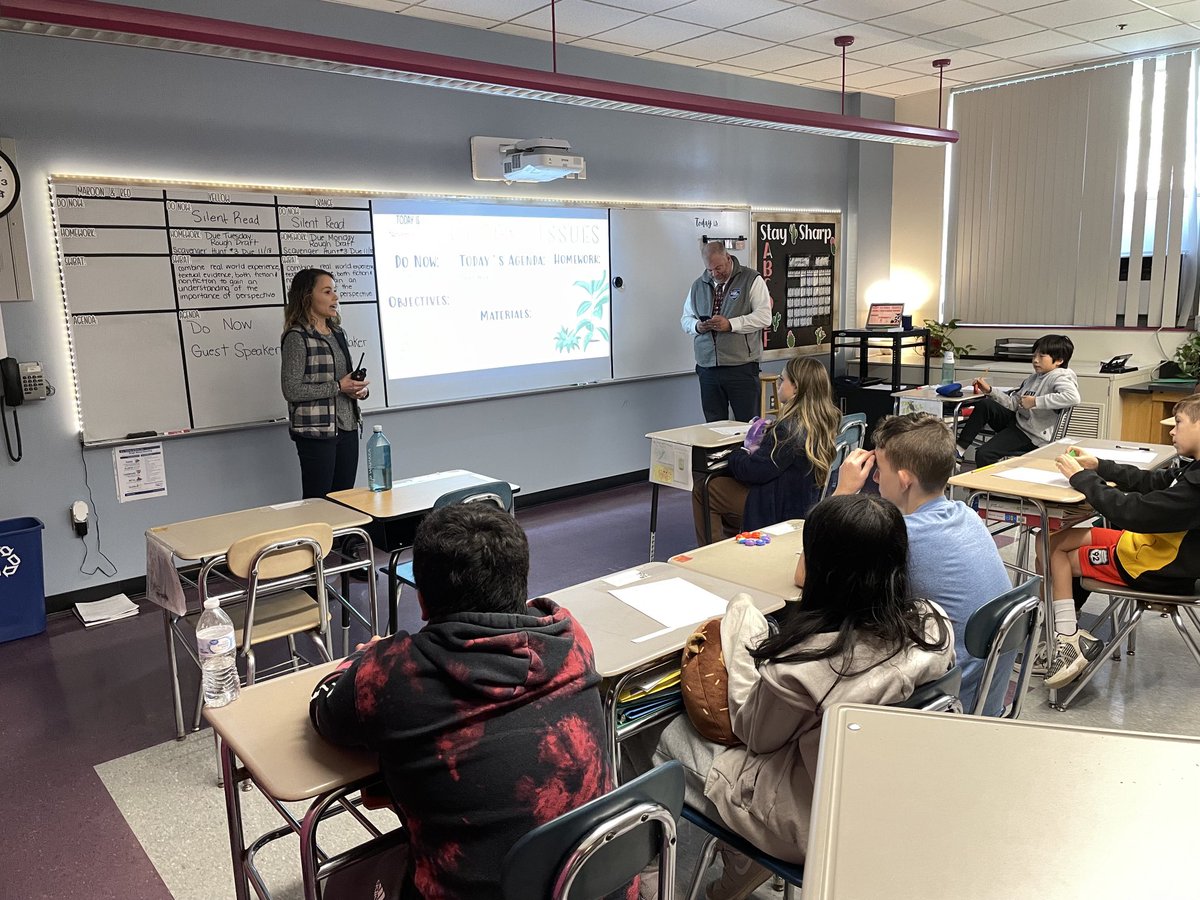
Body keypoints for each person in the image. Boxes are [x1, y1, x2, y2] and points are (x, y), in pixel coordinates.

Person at [628, 495, 953, 900]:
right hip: (886, 804)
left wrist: (741, 627)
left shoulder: (806, 670)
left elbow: (753, 734)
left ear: (820, 569)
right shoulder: (933, 625)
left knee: (644, 733)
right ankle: (740, 867)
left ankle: (653, 875)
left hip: (808, 823)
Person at [309, 504, 620, 900]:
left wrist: (361, 661)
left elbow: (326, 713)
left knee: (341, 884)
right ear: (519, 583)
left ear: (422, 601)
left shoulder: (394, 674)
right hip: (594, 884)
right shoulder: (570, 637)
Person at [832, 413, 1013, 713]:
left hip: (938, 707)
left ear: (904, 481)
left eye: (880, 470)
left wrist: (843, 492)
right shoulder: (967, 515)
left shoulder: (898, 536)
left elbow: (809, 575)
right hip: (983, 703)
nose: (875, 479)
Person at [1039, 394, 1200, 689]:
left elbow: (1134, 513)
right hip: (1150, 548)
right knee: (1049, 540)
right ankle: (1062, 629)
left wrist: (1082, 479)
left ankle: (1066, 640)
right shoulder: (1194, 469)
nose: (1172, 431)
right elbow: (1155, 482)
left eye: (1178, 423)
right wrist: (1099, 466)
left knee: (1055, 557)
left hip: (1154, 567)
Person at [693, 356, 840, 545]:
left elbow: (753, 472)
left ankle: (710, 555)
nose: (779, 383)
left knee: (704, 489)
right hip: (803, 500)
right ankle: (735, 543)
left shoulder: (787, 429)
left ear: (796, 388)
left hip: (776, 507)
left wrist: (738, 453)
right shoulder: (824, 420)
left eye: (783, 379)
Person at [280, 267, 369, 499]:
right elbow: (291, 389)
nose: (335, 297)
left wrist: (357, 391)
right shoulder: (297, 338)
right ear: (308, 297)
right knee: (318, 502)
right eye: (328, 291)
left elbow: (344, 379)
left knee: (345, 500)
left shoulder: (338, 333)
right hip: (316, 432)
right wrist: (338, 387)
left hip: (347, 427)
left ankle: (343, 538)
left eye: (335, 291)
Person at [956, 334, 1080, 468]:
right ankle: (959, 451)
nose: (1035, 360)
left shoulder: (1060, 377)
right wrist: (990, 390)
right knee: (986, 405)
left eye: (1041, 356)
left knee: (984, 454)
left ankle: (985, 488)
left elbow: (1073, 397)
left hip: (1032, 435)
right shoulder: (1034, 377)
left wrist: (1035, 402)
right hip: (1019, 422)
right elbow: (1014, 403)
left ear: (1059, 360)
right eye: (1034, 356)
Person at [681, 242, 772, 422]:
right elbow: (685, 319)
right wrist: (697, 326)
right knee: (714, 425)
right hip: (707, 368)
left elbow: (764, 317)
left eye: (718, 268)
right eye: (709, 270)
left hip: (741, 367)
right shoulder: (698, 285)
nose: (715, 273)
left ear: (728, 258)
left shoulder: (751, 279)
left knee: (748, 424)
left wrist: (730, 324)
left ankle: (748, 452)